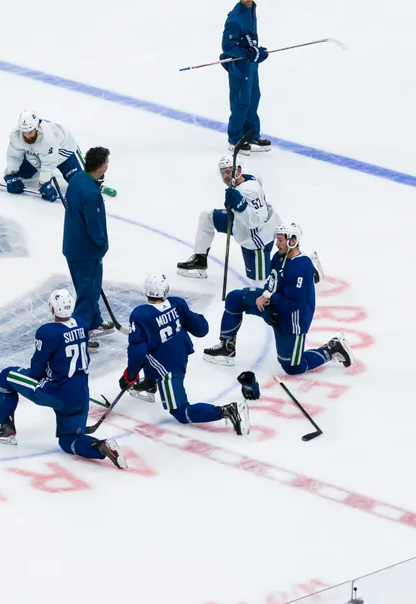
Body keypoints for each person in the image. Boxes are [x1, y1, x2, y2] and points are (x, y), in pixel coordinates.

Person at [0, 288, 128, 469]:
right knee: (68, 441)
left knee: (6, 375)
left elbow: (37, 369)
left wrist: (43, 374)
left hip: (56, 390)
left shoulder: (48, 332)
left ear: (53, 309)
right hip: (81, 393)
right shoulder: (82, 324)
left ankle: (6, 429)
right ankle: (101, 446)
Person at [204, 223, 353, 374]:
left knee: (293, 367)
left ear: (293, 241)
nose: (277, 244)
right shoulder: (279, 256)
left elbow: (294, 304)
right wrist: (265, 294)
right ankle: (227, 346)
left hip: (293, 319)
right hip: (273, 303)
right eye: (278, 239)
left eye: (281, 240)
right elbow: (272, 280)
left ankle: (332, 349)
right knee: (235, 298)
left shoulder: (300, 267)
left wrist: (269, 298)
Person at [123, 274, 249, 435]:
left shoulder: (140, 314)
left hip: (167, 366)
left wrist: (129, 375)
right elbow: (202, 329)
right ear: (165, 290)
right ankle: (150, 383)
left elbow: (137, 352)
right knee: (151, 349)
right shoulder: (177, 304)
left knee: (180, 412)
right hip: (182, 352)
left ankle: (226, 411)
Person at [177, 155, 277, 284]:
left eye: (228, 172)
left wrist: (241, 206)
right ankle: (200, 260)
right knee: (207, 216)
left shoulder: (248, 191)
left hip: (258, 238)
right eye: (222, 172)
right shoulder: (250, 177)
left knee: (259, 283)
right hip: (241, 223)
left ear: (238, 171)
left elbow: (255, 221)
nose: (225, 177)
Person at [62, 147, 115, 345]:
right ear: (101, 168)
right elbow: (95, 227)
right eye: (106, 163)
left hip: (73, 246)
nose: (107, 165)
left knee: (91, 288)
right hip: (86, 251)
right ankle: (80, 333)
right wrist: (101, 245)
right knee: (87, 292)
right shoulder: (91, 193)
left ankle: (94, 321)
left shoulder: (76, 179)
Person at [222, 0, 271, 152]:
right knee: (241, 102)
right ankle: (235, 138)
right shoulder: (235, 19)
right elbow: (227, 47)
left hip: (251, 65)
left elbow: (248, 39)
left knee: (253, 98)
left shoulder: (251, 8)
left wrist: (257, 51)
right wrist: (249, 53)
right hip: (240, 66)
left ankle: (251, 135)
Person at [3, 110, 81, 203]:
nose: (27, 136)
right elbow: (13, 156)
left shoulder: (48, 137)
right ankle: (34, 171)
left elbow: (48, 163)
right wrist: (11, 175)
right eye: (24, 132)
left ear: (37, 126)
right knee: (22, 172)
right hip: (35, 153)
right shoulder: (16, 134)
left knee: (78, 184)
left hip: (62, 151)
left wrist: (44, 184)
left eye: (30, 131)